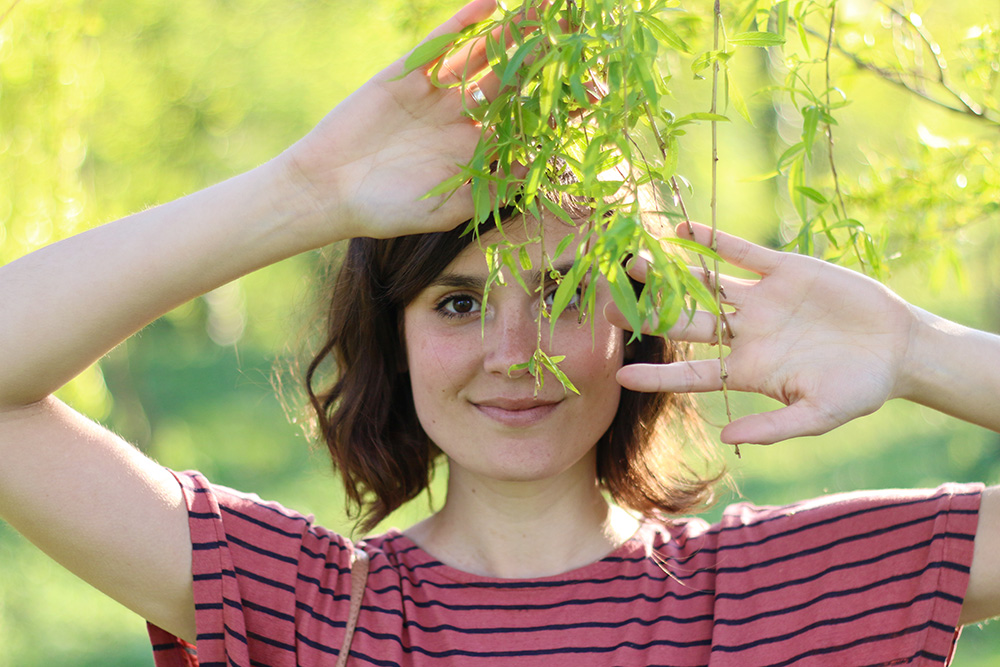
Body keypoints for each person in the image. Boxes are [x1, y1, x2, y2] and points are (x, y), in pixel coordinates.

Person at [0, 0, 997, 665]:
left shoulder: (773, 594)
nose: (512, 350)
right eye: (460, 301)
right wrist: (304, 195)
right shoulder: (305, 609)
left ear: (635, 328)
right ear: (393, 338)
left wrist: (915, 352)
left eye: (564, 294)